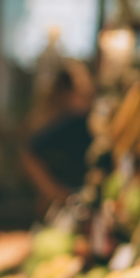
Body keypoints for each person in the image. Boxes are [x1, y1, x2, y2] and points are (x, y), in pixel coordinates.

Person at [21, 63, 95, 216]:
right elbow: (28, 155)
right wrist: (56, 193)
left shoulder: (75, 121)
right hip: (64, 208)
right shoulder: (72, 120)